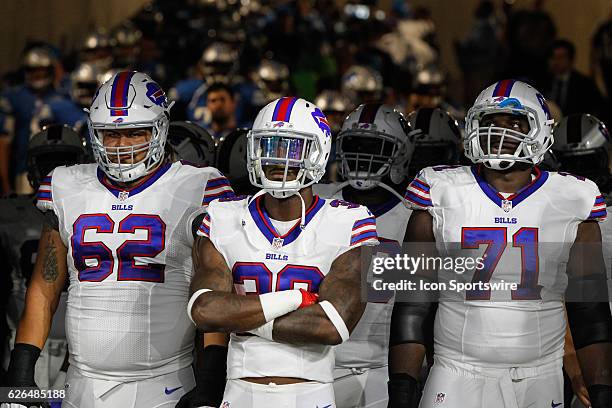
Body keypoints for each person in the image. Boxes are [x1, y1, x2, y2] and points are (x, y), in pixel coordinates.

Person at [4, 71, 234, 408]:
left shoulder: (197, 185)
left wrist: (211, 379)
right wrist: (21, 369)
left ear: (160, 128)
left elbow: (213, 292)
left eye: (134, 133)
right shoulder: (66, 185)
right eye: (110, 134)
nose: (122, 145)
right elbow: (45, 285)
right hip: (80, 383)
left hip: (164, 383)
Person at [390, 79, 612, 407]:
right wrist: (402, 388)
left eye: (514, 123)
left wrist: (602, 391)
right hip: (457, 372)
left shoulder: (574, 197)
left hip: (541, 376)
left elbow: (589, 312)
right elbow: (412, 301)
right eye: (490, 122)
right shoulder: (438, 189)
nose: (501, 132)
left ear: (540, 130)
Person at [189, 96, 376, 407]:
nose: (280, 159)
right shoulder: (223, 215)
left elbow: (332, 325)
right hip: (238, 392)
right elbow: (205, 311)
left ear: (318, 151)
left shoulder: (350, 220)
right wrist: (293, 300)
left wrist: (235, 314)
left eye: (294, 148)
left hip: (311, 393)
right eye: (270, 146)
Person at [314, 103, 414, 407]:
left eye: (374, 147)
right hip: (317, 361)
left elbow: (417, 310)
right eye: (354, 144)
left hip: (380, 367)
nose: (362, 156)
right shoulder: (316, 199)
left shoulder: (415, 217)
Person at [0, 125, 87, 393]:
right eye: (46, 162)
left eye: (63, 162)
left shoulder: (93, 211)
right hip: (22, 337)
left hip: (80, 341)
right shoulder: (8, 211)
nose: (54, 171)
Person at [547, 39, 609, 123]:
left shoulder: (584, 84)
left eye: (561, 57)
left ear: (570, 60)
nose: (556, 62)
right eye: (553, 57)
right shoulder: (544, 80)